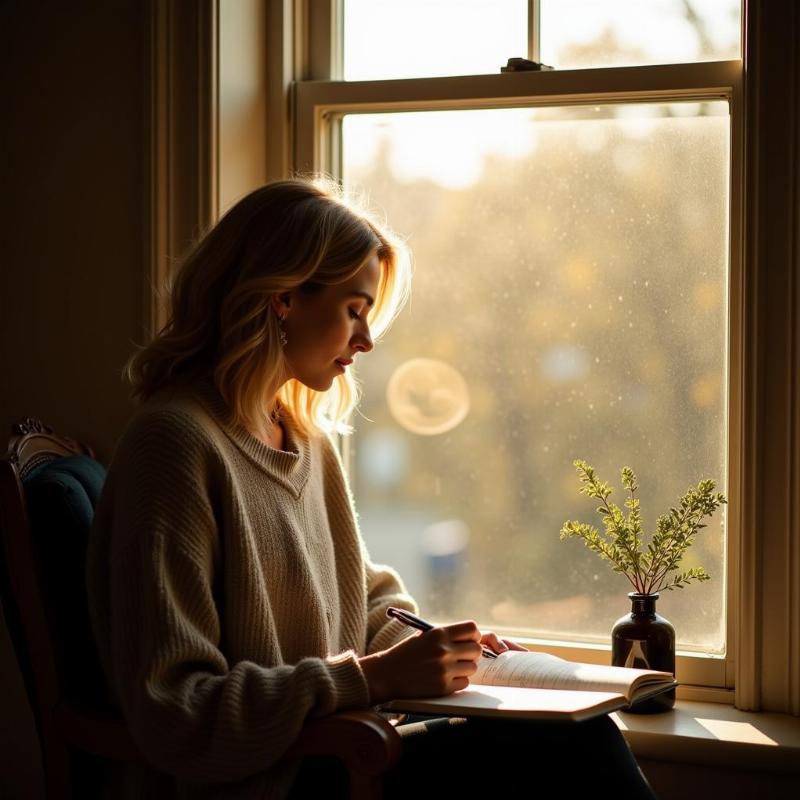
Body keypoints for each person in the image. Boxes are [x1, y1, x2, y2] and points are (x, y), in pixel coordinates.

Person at [85, 176, 658, 800]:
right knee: (569, 752)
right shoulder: (173, 447)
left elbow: (361, 602)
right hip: (278, 778)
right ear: (282, 298)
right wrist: (371, 679)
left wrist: (436, 646)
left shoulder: (305, 439)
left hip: (345, 744)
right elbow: (176, 711)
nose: (367, 339)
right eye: (354, 309)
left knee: (577, 735)